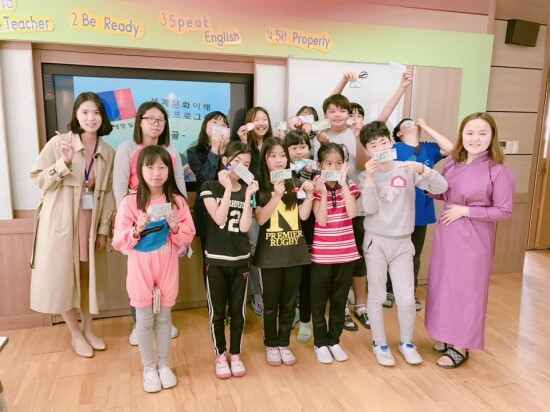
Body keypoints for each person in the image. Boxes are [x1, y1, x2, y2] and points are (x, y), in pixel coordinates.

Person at [318, 70, 413, 332]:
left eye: (343, 110)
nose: (338, 114)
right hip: (328, 206)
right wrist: (343, 81)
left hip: (357, 205)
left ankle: (360, 304)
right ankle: (339, 306)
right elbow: (329, 102)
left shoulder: (358, 133)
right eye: (332, 111)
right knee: (334, 260)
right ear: (326, 114)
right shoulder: (321, 134)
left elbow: (382, 118)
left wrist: (402, 87)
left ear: (350, 113)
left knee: (358, 257)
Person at [425, 112, 515, 369]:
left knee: (466, 290)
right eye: (470, 133)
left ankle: (461, 346)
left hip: (473, 239)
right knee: (443, 284)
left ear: (492, 137)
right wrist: (428, 186)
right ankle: (445, 334)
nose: (475, 138)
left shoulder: (498, 171)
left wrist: (466, 211)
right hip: (447, 233)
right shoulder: (452, 163)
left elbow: (504, 211)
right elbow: (447, 193)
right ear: (461, 135)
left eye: (482, 133)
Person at [30, 91, 115, 358]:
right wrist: (63, 162)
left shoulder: (107, 151)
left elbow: (108, 193)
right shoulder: (59, 142)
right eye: (85, 112)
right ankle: (75, 333)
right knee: (63, 276)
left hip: (90, 220)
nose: (91, 118)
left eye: (96, 112)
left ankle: (88, 329)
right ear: (76, 115)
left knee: (88, 277)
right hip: (61, 222)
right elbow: (38, 180)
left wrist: (103, 229)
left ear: (103, 117)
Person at [359, 121, 448, 367]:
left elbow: (442, 187)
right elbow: (370, 208)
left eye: (383, 142)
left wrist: (423, 170)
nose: (380, 148)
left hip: (403, 242)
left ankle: (407, 342)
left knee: (407, 299)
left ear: (392, 143)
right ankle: (379, 343)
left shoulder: (406, 168)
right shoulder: (366, 176)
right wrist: (369, 180)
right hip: (376, 241)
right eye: (373, 145)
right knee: (377, 295)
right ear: (366, 151)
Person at [112, 145, 195, 392]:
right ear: (140, 170)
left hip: (167, 265)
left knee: (165, 318)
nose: (156, 173)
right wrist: (136, 229)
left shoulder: (177, 201)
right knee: (144, 320)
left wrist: (176, 227)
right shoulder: (130, 202)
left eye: (162, 167)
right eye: (150, 167)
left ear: (169, 170)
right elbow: (119, 241)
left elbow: (188, 234)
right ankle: (149, 368)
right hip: (140, 269)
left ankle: (164, 364)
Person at [113, 101, 186, 345]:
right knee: (139, 279)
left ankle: (163, 321)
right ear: (139, 121)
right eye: (150, 119)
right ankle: (139, 323)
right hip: (139, 223)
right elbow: (119, 187)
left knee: (164, 276)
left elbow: (178, 185)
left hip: (166, 223)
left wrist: (181, 222)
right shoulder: (127, 147)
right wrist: (127, 225)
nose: (155, 124)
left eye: (160, 120)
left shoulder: (171, 150)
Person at [253, 137, 315, 366]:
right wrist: (276, 195)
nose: (278, 160)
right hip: (269, 256)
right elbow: (260, 219)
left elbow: (304, 216)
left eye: (282, 156)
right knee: (270, 304)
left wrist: (310, 195)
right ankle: (271, 344)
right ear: (265, 160)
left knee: (289, 304)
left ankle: (283, 343)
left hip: (294, 253)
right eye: (273, 156)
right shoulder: (259, 186)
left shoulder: (295, 182)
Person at [200, 142, 258, 379]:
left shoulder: (247, 190)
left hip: (240, 260)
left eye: (246, 164)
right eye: (237, 162)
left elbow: (244, 227)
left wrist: (249, 196)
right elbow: (219, 218)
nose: (241, 167)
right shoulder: (209, 187)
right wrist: (226, 189)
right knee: (217, 313)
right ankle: (220, 355)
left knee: (238, 312)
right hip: (216, 260)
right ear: (225, 161)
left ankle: (235, 354)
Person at [384, 118, 454, 311]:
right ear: (399, 133)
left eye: (414, 122)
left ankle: (410, 292)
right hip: (397, 211)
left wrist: (426, 126)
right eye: (407, 123)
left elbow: (450, 149)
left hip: (420, 211)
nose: (412, 124)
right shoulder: (394, 148)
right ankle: (389, 290)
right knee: (392, 253)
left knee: (413, 255)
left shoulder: (429, 148)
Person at [310, 143, 360, 364]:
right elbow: (321, 220)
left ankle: (334, 340)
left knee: (339, 301)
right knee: (319, 301)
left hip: (346, 254)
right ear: (320, 165)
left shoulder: (349, 185)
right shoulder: (316, 187)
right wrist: (322, 192)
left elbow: (352, 213)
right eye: (329, 163)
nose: (334, 167)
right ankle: (320, 342)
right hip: (322, 256)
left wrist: (344, 184)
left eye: (339, 163)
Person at [236, 107, 274, 315]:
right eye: (256, 119)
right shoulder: (243, 148)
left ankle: (272, 294)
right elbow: (239, 175)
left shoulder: (274, 145)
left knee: (271, 250)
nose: (261, 123)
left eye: (264, 119)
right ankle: (258, 295)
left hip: (272, 204)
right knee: (254, 250)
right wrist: (243, 145)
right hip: (250, 206)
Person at [187, 111, 230, 282]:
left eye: (223, 124)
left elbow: (240, 176)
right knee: (210, 259)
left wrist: (226, 152)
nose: (219, 126)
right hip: (206, 213)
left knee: (230, 256)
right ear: (205, 125)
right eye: (214, 122)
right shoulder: (194, 152)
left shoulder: (232, 151)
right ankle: (212, 296)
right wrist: (214, 149)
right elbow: (205, 178)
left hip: (231, 209)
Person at [284, 130, 315, 343]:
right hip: (287, 231)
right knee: (290, 279)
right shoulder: (282, 174)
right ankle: (293, 312)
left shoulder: (317, 171)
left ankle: (306, 320)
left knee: (306, 279)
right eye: (293, 147)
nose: (298, 151)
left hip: (310, 232)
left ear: (309, 149)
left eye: (302, 146)